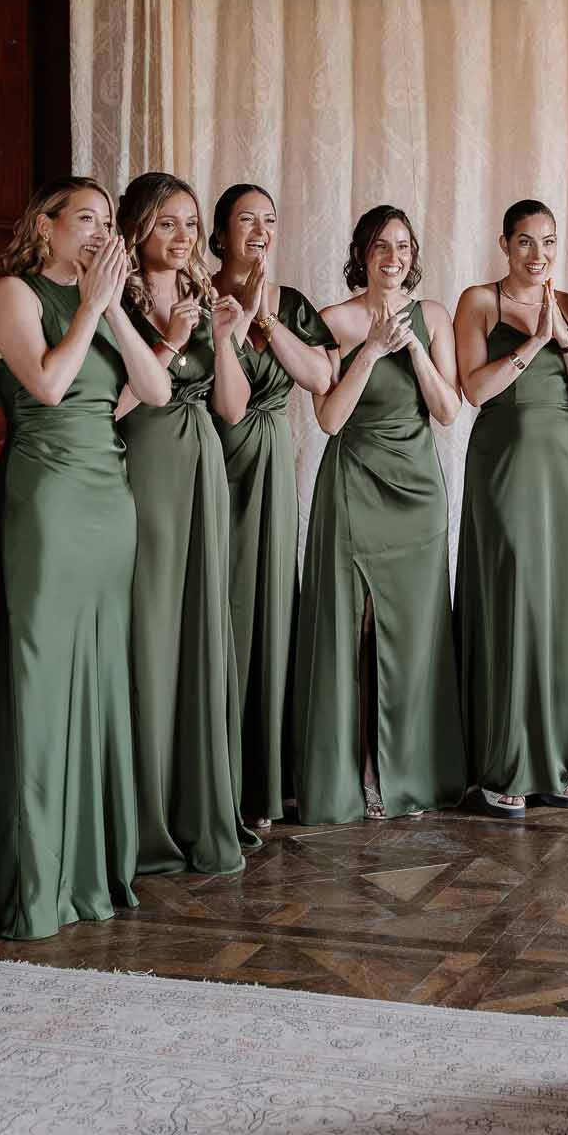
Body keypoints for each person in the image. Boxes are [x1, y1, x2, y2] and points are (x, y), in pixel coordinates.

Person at [0, 176, 170, 941]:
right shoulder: (12, 296)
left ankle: (90, 869)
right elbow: (50, 387)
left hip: (108, 502)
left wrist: (112, 307)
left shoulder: (102, 301)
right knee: (41, 676)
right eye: (85, 217)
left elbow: (152, 390)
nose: (99, 232)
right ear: (45, 226)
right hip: (47, 500)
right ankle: (34, 879)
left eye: (108, 222)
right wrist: (89, 306)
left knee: (100, 674)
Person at [293, 205, 466, 824]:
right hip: (355, 485)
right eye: (381, 247)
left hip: (418, 493)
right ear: (362, 255)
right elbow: (329, 419)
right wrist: (370, 350)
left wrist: (413, 345)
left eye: (403, 247)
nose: (393, 258)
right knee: (361, 631)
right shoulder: (333, 321)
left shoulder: (436, 317)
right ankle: (363, 770)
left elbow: (447, 410)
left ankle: (411, 771)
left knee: (414, 633)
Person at [116, 172, 251, 877]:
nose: (182, 236)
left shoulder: (200, 294)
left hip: (202, 467)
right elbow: (109, 403)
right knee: (151, 627)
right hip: (145, 470)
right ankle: (144, 810)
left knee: (200, 626)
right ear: (138, 227)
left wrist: (223, 340)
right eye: (167, 222)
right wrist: (169, 341)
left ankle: (198, 804)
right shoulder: (115, 301)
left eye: (191, 224)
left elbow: (232, 408)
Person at [454, 200, 568, 820]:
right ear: (504, 245)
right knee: (515, 601)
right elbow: (473, 389)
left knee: (564, 607)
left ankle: (554, 762)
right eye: (525, 242)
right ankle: (506, 761)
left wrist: (563, 340)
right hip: (506, 465)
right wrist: (533, 342)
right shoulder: (478, 301)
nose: (538, 255)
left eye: (548, 242)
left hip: (567, 467)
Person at [209, 183, 333, 832]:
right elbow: (213, 395)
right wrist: (234, 319)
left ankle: (265, 781)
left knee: (270, 605)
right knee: (220, 607)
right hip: (212, 462)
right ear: (220, 234)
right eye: (246, 220)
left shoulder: (292, 304)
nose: (260, 231)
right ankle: (215, 776)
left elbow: (319, 377)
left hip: (272, 465)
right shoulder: (198, 295)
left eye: (269, 220)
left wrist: (264, 318)